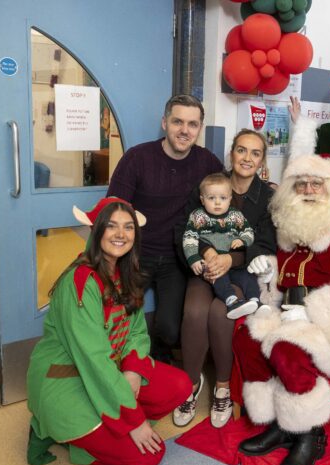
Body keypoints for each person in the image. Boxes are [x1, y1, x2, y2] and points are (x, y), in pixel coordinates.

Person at [234, 154, 330, 465]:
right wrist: (268, 271)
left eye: (317, 183)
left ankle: (308, 432)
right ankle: (279, 422)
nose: (309, 190)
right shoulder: (290, 227)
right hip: (290, 312)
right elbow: (284, 280)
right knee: (246, 339)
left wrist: (315, 312)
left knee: (289, 351)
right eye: (301, 183)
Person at [25, 197, 192, 465]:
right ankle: (49, 430)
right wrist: (134, 422)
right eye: (112, 226)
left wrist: (132, 371)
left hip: (109, 372)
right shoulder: (79, 283)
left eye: (128, 228)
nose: (121, 234)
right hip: (67, 378)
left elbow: (137, 332)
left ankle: (109, 421)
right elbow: (93, 360)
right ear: (96, 230)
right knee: (149, 456)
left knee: (180, 386)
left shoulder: (126, 272)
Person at [107, 94, 224, 363]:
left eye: (192, 124)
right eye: (178, 122)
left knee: (170, 331)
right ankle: (119, 364)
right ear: (164, 123)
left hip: (175, 259)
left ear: (199, 128)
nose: (185, 130)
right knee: (116, 319)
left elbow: (230, 194)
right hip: (136, 254)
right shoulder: (137, 158)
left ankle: (157, 359)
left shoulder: (206, 162)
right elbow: (113, 209)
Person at [174, 129, 277, 429]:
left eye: (255, 153)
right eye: (241, 150)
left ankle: (222, 387)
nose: (247, 158)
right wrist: (206, 256)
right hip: (205, 268)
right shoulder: (209, 184)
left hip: (241, 272)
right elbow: (186, 228)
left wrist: (230, 259)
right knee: (194, 311)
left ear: (261, 161)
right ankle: (191, 385)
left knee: (222, 312)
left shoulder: (268, 196)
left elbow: (266, 244)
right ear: (231, 153)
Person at [181, 172, 262, 319]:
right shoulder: (198, 216)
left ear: (230, 199)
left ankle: (256, 300)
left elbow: (248, 232)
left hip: (232, 262)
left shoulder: (235, 215)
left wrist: (243, 241)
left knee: (248, 276)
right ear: (202, 200)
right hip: (211, 262)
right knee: (217, 276)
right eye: (211, 198)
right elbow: (189, 237)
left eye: (223, 198)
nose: (217, 203)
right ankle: (231, 301)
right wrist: (193, 258)